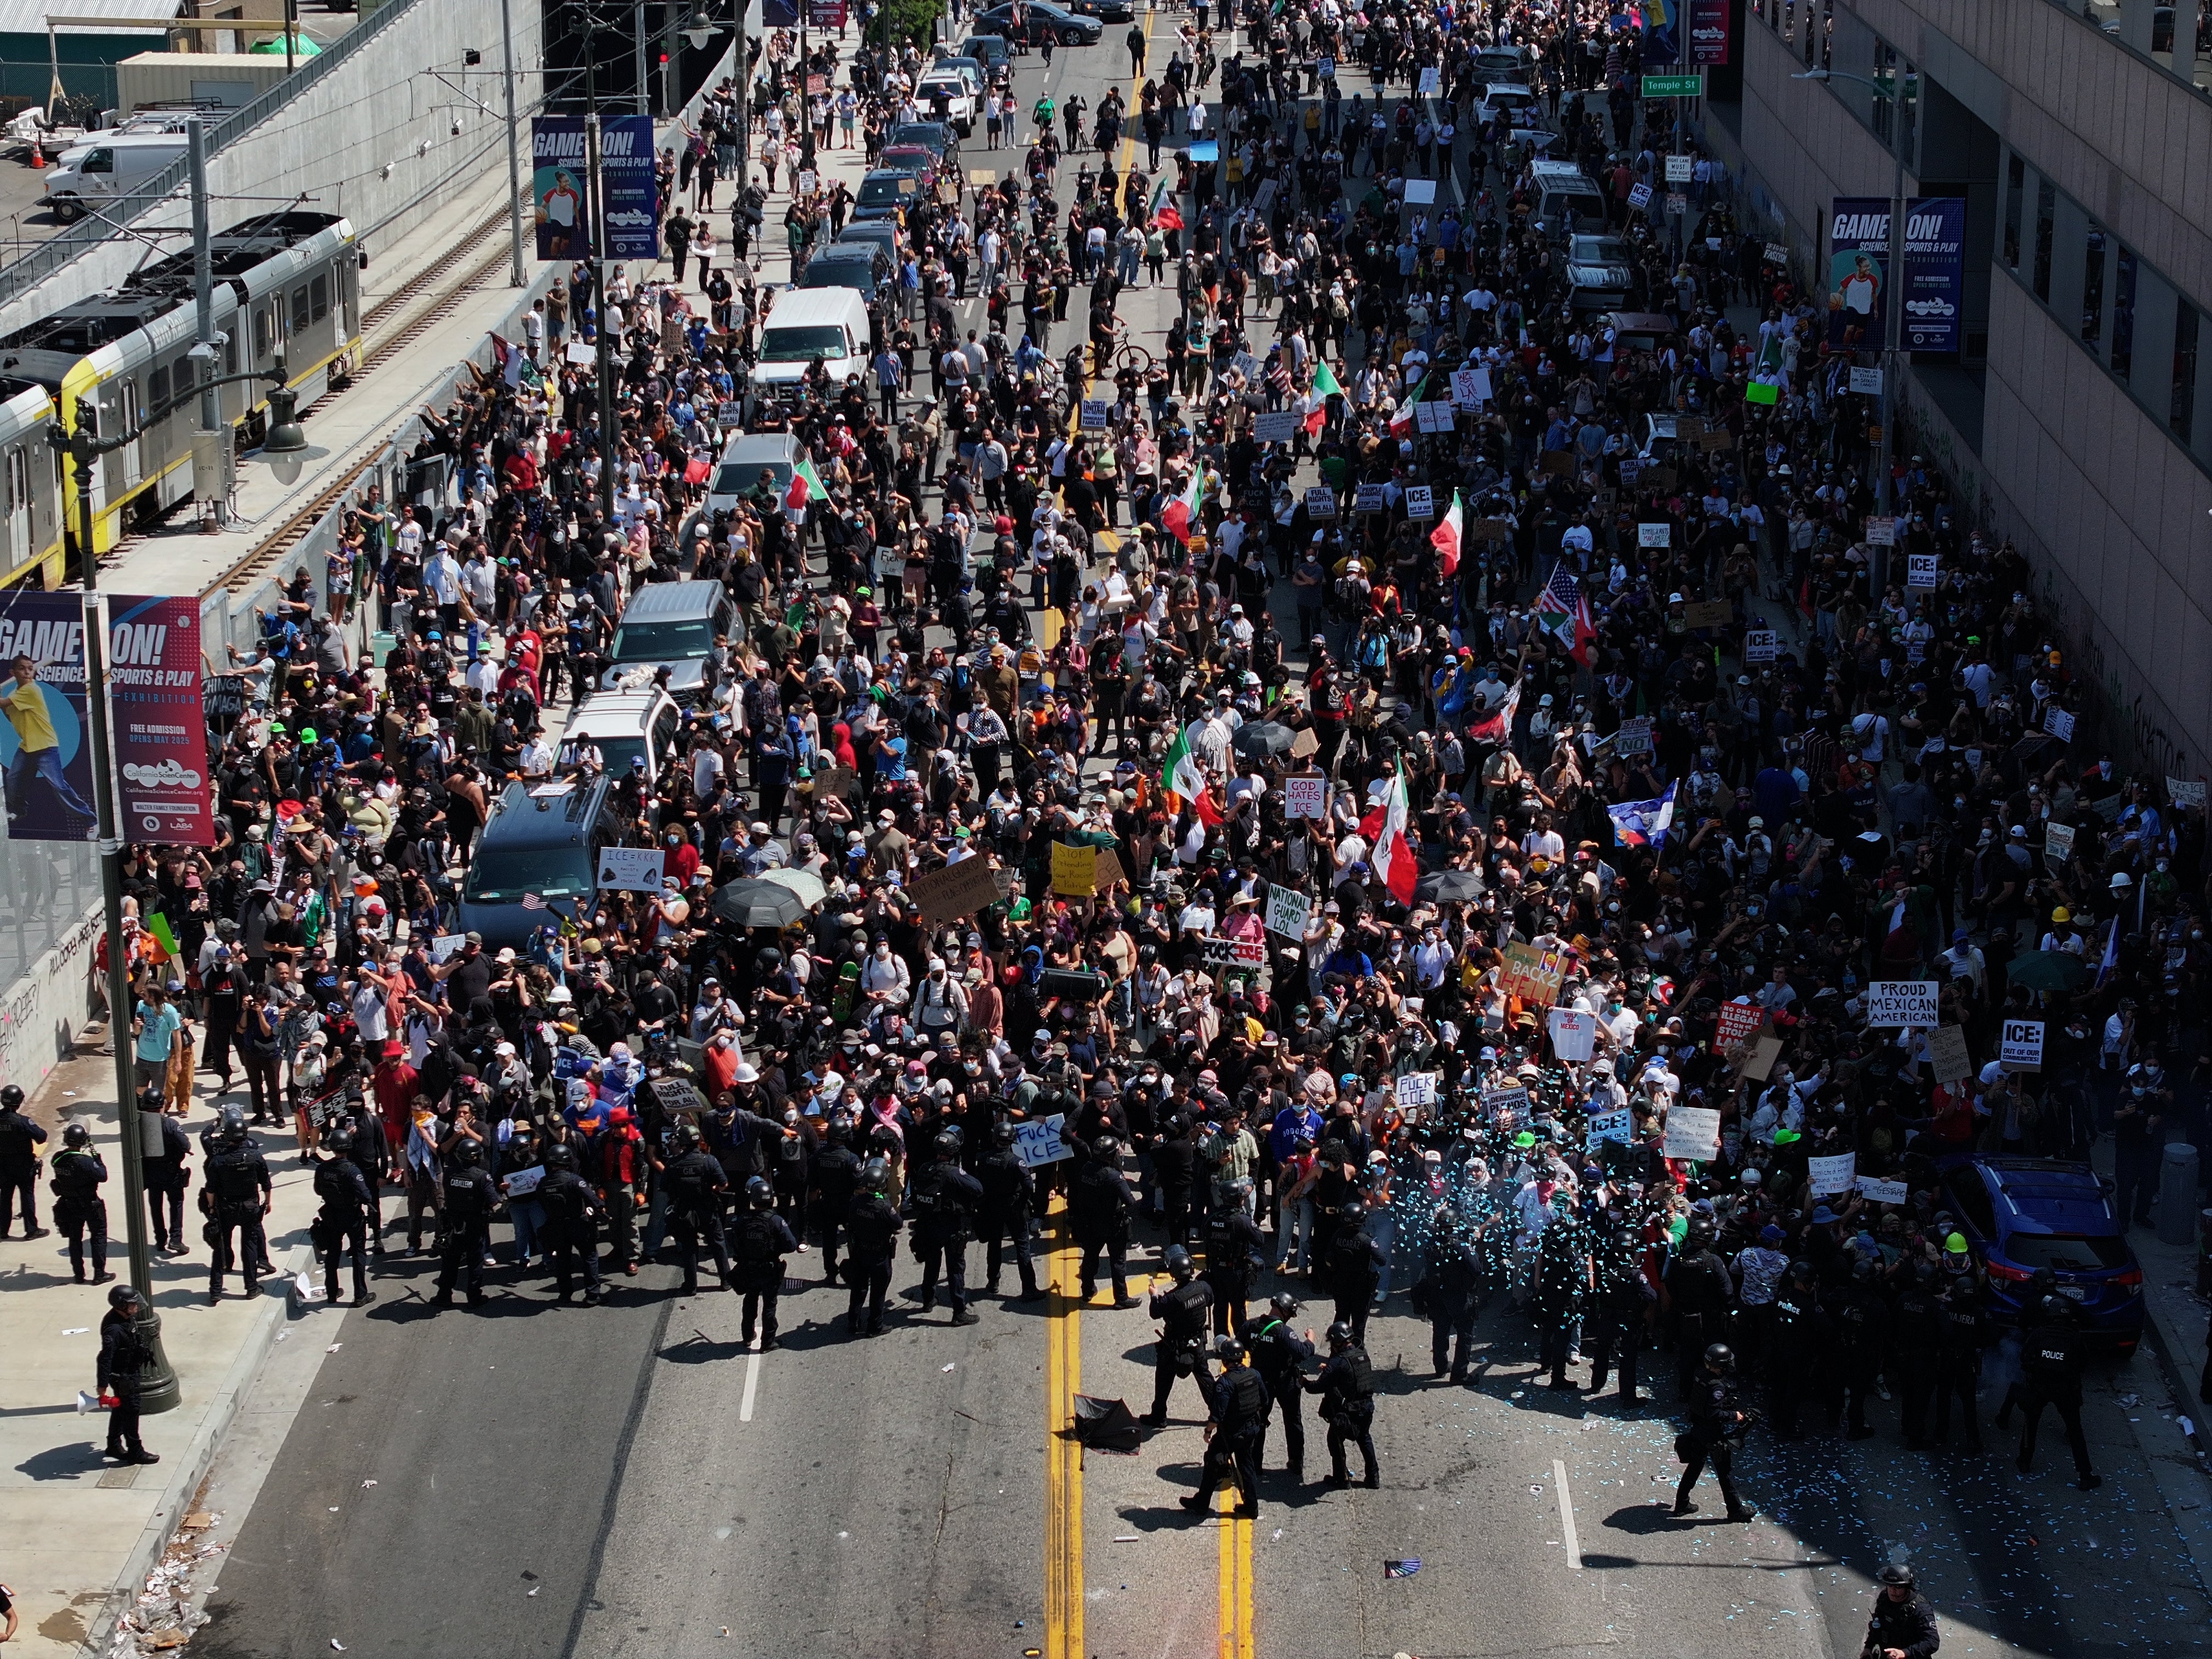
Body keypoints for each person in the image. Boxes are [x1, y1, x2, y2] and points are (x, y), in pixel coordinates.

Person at [2016, 1294, 2101, 1488]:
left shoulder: (2039, 1333)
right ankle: (2085, 1475)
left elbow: (2025, 1357)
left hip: (2040, 1386)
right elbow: (2084, 1363)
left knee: (2031, 1423)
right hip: (2066, 1389)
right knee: (2075, 1431)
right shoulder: (2075, 1337)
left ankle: (2024, 1461)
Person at [1183, 1333, 1268, 1518]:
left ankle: (1201, 1504)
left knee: (1213, 1461)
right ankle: (1252, 1507)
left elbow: (1218, 1414)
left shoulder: (1226, 1383)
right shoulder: (1254, 1374)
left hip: (1231, 1433)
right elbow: (1264, 1399)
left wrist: (1208, 1430)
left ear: (1226, 1361)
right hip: (1251, 1428)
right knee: (1247, 1466)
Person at [909, 1128, 984, 1324]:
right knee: (956, 1270)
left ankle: (928, 1299)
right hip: (951, 1228)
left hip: (928, 1225)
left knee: (932, 1264)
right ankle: (959, 1312)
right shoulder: (952, 1173)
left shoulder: (926, 1168)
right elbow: (977, 1188)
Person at [1674, 1342, 1754, 1520]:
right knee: (1724, 1473)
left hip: (1698, 1430)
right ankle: (1735, 1511)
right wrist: (1734, 1415)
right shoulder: (1717, 1386)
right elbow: (1714, 1412)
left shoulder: (1701, 1376)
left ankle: (1681, 1503)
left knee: (1694, 1467)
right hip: (1712, 1434)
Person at [201, 1106, 271, 1302]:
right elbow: (266, 1183)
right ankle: (251, 1287)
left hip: (226, 1208)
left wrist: (213, 1208)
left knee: (220, 1248)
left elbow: (210, 1188)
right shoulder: (255, 1156)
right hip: (250, 1207)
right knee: (249, 1247)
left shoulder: (219, 1160)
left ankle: (216, 1291)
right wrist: (268, 1202)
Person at [1146, 1243, 1217, 1425]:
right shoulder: (1203, 1287)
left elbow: (1155, 1312)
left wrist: (1154, 1295)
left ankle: (1159, 1416)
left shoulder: (1172, 1298)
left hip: (1175, 1346)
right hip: (1197, 1342)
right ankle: (1219, 1414)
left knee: (1163, 1379)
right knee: (1205, 1378)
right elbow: (1210, 1300)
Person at [1249, 1290, 1315, 1482]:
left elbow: (1240, 1342)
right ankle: (1296, 1462)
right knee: (1293, 1421)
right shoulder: (1285, 1332)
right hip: (1285, 1382)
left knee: (1258, 1422)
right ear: (1285, 1312)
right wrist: (1310, 1340)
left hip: (1261, 1383)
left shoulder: (1252, 1326)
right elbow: (1302, 1353)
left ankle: (1255, 1464)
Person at [664, 1121, 733, 1295]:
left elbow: (665, 1188)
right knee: (718, 1244)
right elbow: (723, 1183)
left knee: (689, 1247)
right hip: (708, 1210)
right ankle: (726, 1281)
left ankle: (691, 1286)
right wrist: (714, 1190)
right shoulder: (708, 1160)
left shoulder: (673, 1163)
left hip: (684, 1212)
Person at [1308, 1319, 1378, 1487]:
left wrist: (1303, 1382)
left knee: (1334, 1438)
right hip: (1367, 1408)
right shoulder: (1362, 1354)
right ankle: (1374, 1477)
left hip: (1349, 1412)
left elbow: (1317, 1387)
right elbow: (1352, 1377)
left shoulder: (1338, 1362)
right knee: (1364, 1438)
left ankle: (1342, 1478)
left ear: (1339, 1342)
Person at [313, 1121, 377, 1305]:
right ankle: (360, 1295)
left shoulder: (322, 1168)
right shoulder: (352, 1170)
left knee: (333, 1255)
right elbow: (366, 1195)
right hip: (352, 1216)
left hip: (331, 1216)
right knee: (358, 1254)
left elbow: (318, 1190)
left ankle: (332, 1293)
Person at [731, 1173, 799, 1346]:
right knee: (769, 1306)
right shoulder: (776, 1221)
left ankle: (747, 1336)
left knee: (750, 1302)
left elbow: (735, 1243)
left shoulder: (743, 1219)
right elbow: (791, 1245)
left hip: (749, 1269)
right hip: (769, 1270)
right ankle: (768, 1342)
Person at [977, 1122, 1041, 1300]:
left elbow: (977, 1183)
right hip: (1013, 1207)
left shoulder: (983, 1158)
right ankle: (1029, 1288)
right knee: (1022, 1245)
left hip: (992, 1207)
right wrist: (1022, 1203)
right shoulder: (1015, 1161)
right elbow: (1028, 1185)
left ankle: (993, 1282)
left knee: (994, 1244)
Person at [97, 1283, 157, 1465]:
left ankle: (114, 1445)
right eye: (132, 1304)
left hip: (131, 1371)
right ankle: (135, 1450)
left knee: (121, 1409)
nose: (136, 1306)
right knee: (131, 1411)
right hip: (123, 1377)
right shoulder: (114, 1330)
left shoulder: (126, 1318)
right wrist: (102, 1385)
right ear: (121, 1305)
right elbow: (105, 1358)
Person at [842, 1156, 903, 1336]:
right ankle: (875, 1326)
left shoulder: (856, 1202)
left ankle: (853, 1322)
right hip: (878, 1255)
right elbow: (898, 1223)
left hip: (860, 1252)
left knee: (858, 1288)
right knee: (878, 1292)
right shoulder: (883, 1206)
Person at [537, 1143, 605, 1304]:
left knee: (563, 1261)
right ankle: (593, 1295)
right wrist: (601, 1208)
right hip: (579, 1225)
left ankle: (565, 1295)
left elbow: (542, 1204)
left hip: (556, 1227)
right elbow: (594, 1201)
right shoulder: (575, 1181)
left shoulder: (543, 1183)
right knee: (590, 1258)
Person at [1073, 1133, 1137, 1305]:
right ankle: (1121, 1298)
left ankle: (1087, 1291)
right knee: (1118, 1262)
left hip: (1091, 1223)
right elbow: (1130, 1201)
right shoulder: (1114, 1177)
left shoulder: (1086, 1168)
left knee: (1090, 1258)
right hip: (1113, 1224)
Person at [435, 1138, 498, 1307]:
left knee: (450, 1263)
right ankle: (474, 1297)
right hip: (475, 1225)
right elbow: (493, 1201)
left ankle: (444, 1296)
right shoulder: (482, 1177)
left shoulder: (449, 1174)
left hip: (453, 1225)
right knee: (475, 1262)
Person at [1203, 1175, 1266, 1335]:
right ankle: (1241, 1340)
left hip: (1216, 1268)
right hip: (1236, 1270)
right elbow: (1260, 1240)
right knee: (1238, 1308)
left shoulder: (1210, 1217)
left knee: (1220, 1307)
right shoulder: (1242, 1220)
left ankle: (1221, 1341)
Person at [47, 1122, 109, 1283]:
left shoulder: (58, 1159)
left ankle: (78, 1274)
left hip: (70, 1204)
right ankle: (99, 1274)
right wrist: (97, 1158)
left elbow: (59, 1163)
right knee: (99, 1236)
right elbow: (102, 1176)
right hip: (90, 1204)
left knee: (75, 1239)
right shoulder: (85, 1162)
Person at [1861, 1562, 1941, 1658]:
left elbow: (1932, 1642)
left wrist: (1905, 1653)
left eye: (1898, 1587)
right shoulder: (1884, 1599)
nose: (1893, 1591)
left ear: (1907, 1587)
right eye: (1890, 1585)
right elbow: (1877, 1626)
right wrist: (1868, 1648)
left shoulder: (1920, 1609)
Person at [0, 1082, 49, 1238]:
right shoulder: (22, 1122)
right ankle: (31, 1230)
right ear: (19, 1102)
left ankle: (2, 1230)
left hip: (3, 1167)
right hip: (23, 1166)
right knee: (27, 1195)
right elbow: (42, 1137)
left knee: (5, 1198)